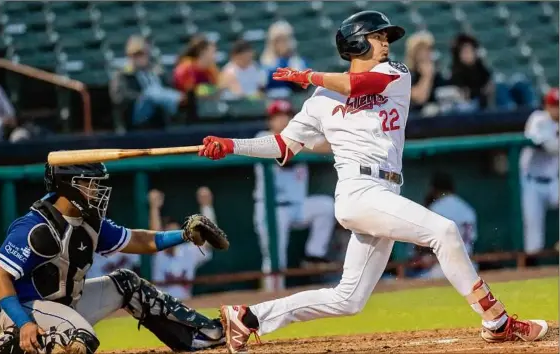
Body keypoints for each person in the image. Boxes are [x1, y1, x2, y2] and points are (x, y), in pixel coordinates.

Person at [198, 11, 548, 353]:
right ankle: (497, 322)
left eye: (385, 37)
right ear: (355, 44)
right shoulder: (321, 100)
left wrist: (308, 75)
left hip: (385, 190)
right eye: (377, 37)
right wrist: (231, 145)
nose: (385, 43)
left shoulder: (395, 73)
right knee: (444, 232)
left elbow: (359, 84)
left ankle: (248, 317)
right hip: (357, 191)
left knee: (348, 299)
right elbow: (281, 146)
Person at [0, 163, 227, 354]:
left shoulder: (89, 222)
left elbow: (137, 240)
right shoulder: (36, 228)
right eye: (90, 183)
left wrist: (185, 235)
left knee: (128, 283)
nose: (96, 190)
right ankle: (11, 344)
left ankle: (203, 336)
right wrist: (23, 322)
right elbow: (0, 274)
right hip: (27, 311)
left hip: (66, 305)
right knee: (79, 341)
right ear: (69, 186)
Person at [253, 100, 335, 291]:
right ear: (270, 121)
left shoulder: (301, 137)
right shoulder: (262, 136)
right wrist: (304, 143)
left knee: (325, 206)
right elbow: (281, 147)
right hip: (271, 209)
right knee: (275, 261)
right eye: (277, 117)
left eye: (287, 116)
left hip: (297, 207)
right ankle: (270, 299)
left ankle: (314, 255)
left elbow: (328, 146)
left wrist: (302, 141)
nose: (283, 120)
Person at [151, 188, 215, 300]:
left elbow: (208, 239)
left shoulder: (187, 252)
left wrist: (206, 206)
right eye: (169, 235)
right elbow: (154, 235)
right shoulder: (159, 253)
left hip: (185, 306)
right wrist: (154, 208)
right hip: (160, 307)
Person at [109, 35, 184, 131]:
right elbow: (119, 97)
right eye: (136, 55)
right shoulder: (123, 75)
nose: (140, 58)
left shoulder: (156, 73)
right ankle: (178, 100)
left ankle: (178, 105)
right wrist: (142, 97)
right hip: (136, 114)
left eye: (142, 54)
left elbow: (168, 87)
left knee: (155, 92)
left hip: (157, 112)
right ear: (130, 56)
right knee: (151, 92)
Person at [519, 87, 559, 260]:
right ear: (546, 105)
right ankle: (530, 272)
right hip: (532, 183)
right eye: (553, 105)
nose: (556, 109)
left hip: (553, 182)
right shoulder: (538, 119)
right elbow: (549, 147)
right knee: (533, 239)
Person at [414, 172, 477, 279]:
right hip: (470, 266)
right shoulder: (467, 208)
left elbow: (423, 243)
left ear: (434, 188)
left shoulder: (436, 208)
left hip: (442, 269)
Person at [260, 21, 308, 98]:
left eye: (285, 40)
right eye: (278, 41)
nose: (282, 44)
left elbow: (303, 83)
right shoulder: (266, 62)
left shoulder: (296, 61)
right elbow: (261, 86)